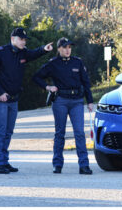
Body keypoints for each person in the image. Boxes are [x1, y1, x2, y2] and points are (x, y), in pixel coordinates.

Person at [0, 27, 53, 174]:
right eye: (21, 39)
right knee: (0, 132)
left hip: (14, 99)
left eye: (24, 40)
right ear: (13, 39)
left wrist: (44, 49)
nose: (23, 42)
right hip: (1, 99)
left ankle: (4, 161)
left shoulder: (23, 52)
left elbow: (34, 54)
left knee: (8, 132)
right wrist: (0, 92)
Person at [32, 37, 94, 175]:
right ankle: (57, 164)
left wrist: (89, 101)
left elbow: (86, 82)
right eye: (65, 47)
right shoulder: (53, 63)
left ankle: (84, 165)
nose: (67, 50)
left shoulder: (78, 62)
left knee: (79, 133)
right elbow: (36, 77)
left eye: (69, 47)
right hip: (60, 101)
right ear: (59, 49)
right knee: (60, 133)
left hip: (77, 101)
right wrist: (48, 87)